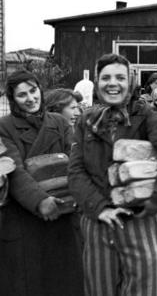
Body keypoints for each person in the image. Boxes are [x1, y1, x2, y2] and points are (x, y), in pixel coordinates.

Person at [68, 53, 157, 296]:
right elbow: (76, 170)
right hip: (98, 221)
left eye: (120, 77)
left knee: (143, 289)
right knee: (99, 289)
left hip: (139, 222)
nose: (112, 83)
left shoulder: (145, 115)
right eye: (106, 78)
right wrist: (100, 207)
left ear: (130, 82)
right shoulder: (86, 120)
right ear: (97, 82)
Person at [0, 70, 83, 296]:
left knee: (64, 283)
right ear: (12, 99)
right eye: (22, 95)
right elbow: (14, 169)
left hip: (63, 213)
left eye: (33, 90)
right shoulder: (4, 127)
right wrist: (40, 201)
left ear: (40, 90)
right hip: (25, 218)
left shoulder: (59, 122)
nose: (30, 98)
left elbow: (75, 161)